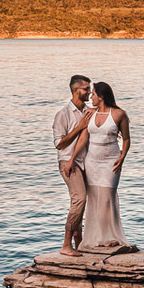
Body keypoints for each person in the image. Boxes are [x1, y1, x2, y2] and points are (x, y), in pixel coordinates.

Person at [69, 81, 130, 249]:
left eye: (94, 94)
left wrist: (122, 157)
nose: (91, 97)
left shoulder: (119, 114)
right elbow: (83, 138)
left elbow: (126, 139)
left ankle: (109, 237)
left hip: (111, 162)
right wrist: (72, 159)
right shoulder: (89, 113)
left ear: (101, 96)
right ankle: (97, 238)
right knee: (94, 199)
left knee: (107, 198)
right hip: (92, 161)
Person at [52, 75, 94, 256]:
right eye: (86, 89)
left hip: (86, 163)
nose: (89, 92)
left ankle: (79, 243)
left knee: (81, 204)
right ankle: (66, 245)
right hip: (68, 162)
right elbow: (59, 144)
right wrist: (79, 126)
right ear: (76, 90)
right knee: (80, 199)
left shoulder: (89, 111)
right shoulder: (63, 114)